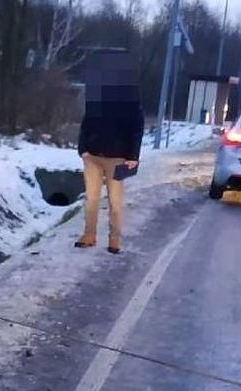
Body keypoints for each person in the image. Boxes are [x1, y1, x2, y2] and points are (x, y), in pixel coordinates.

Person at [76, 51, 144, 254]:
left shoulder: (130, 95)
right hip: (92, 155)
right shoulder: (96, 91)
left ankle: (114, 240)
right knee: (91, 199)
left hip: (117, 157)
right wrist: (83, 149)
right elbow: (86, 121)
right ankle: (89, 236)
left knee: (115, 202)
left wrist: (133, 156)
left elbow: (136, 127)